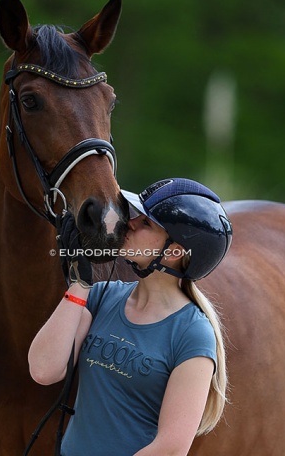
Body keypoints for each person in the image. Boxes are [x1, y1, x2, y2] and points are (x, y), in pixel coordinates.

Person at [28, 177, 232, 456]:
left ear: (173, 252)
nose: (130, 223)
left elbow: (171, 448)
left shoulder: (193, 333)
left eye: (145, 223)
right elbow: (44, 370)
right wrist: (80, 284)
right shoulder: (102, 296)